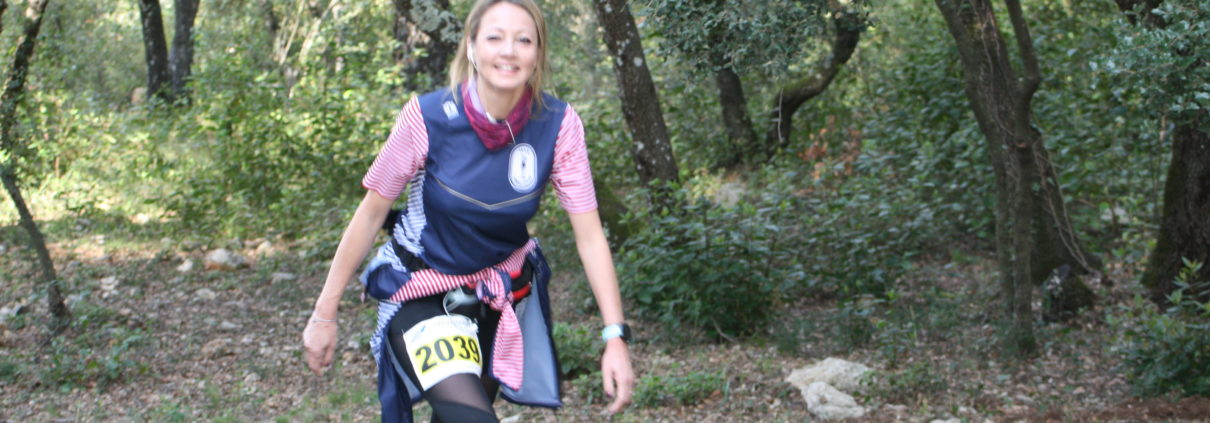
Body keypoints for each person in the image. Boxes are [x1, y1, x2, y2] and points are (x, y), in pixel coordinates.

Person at [300, 1, 635, 422]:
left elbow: (590, 236)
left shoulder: (559, 125)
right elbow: (370, 215)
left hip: (498, 296)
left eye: (524, 40)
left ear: (538, 53)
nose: (509, 51)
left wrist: (615, 337)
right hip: (421, 288)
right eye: (495, 37)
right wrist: (324, 313)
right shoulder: (425, 118)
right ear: (472, 47)